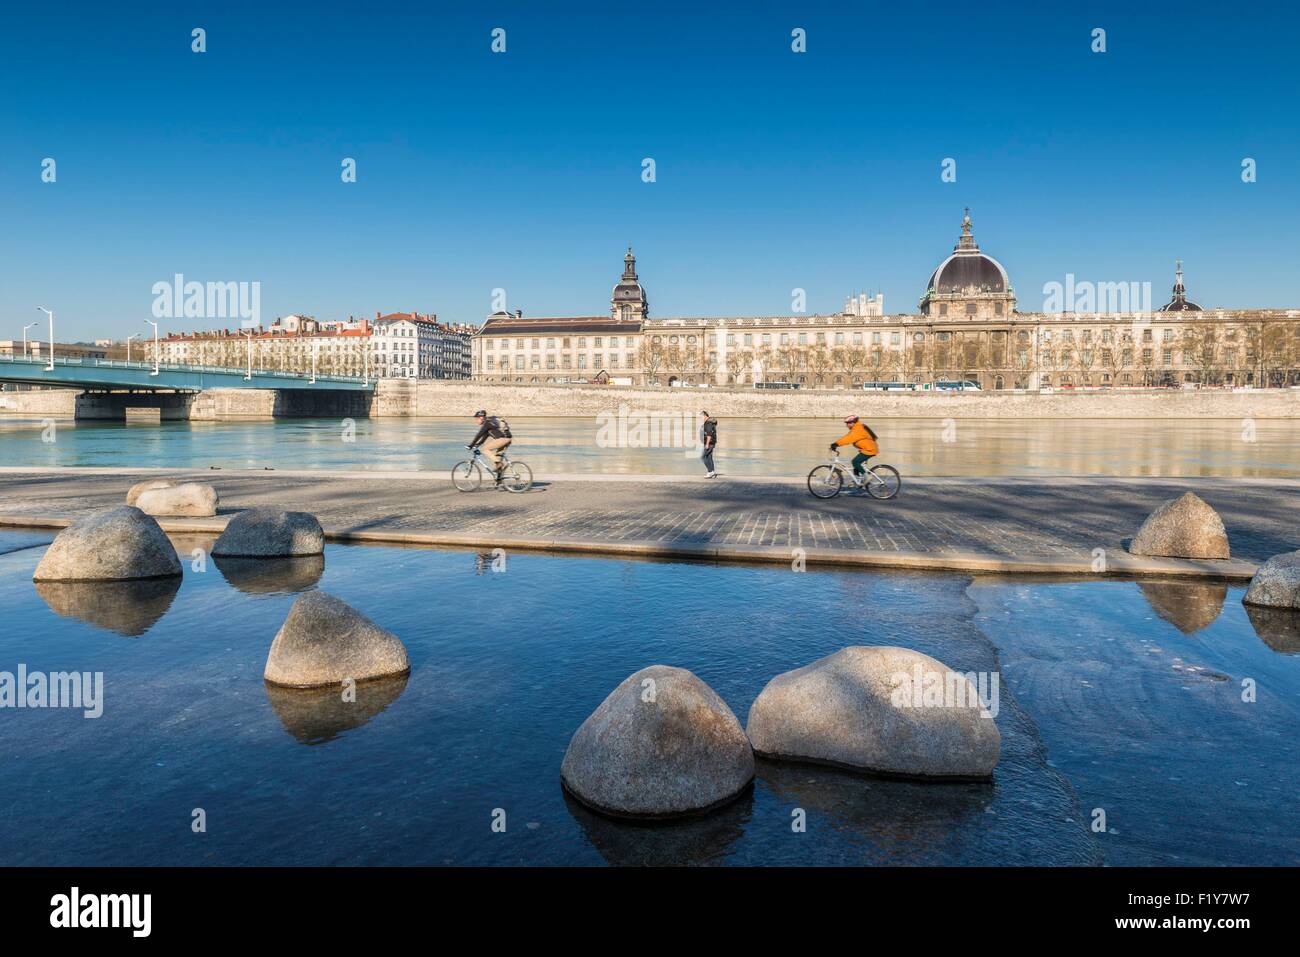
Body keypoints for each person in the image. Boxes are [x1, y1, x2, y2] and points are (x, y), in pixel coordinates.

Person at [830, 414, 879, 488]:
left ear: (853, 422)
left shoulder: (858, 429)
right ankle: (857, 480)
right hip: (867, 449)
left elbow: (848, 439)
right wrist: (836, 444)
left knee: (855, 462)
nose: (847, 425)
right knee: (856, 465)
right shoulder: (857, 428)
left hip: (869, 450)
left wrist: (836, 444)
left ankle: (867, 477)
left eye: (848, 423)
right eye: (846, 423)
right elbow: (848, 437)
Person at [467, 410, 512, 481]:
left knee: (484, 450)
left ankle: (499, 464)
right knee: (497, 458)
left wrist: (471, 445)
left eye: (477, 419)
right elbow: (484, 437)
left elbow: (479, 435)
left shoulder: (487, 423)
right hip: (508, 439)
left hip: (503, 439)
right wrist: (477, 444)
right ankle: (499, 480)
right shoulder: (490, 424)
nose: (476, 421)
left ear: (481, 417)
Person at [699, 410, 718, 478]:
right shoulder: (708, 423)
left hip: (709, 443)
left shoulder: (708, 423)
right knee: (709, 457)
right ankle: (712, 472)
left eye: (701, 417)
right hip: (711, 443)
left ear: (705, 416)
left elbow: (709, 434)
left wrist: (707, 444)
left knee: (703, 457)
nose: (700, 418)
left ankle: (710, 472)